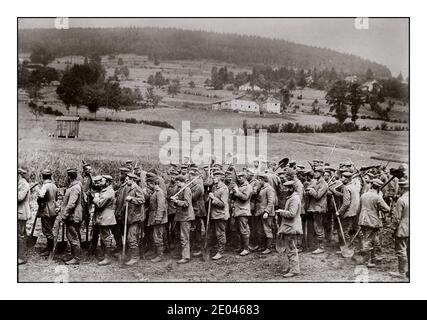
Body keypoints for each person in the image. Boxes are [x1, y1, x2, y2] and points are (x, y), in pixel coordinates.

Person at [358, 178, 390, 267]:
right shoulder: (377, 197)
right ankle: (366, 261)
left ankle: (373, 258)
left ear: (371, 185)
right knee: (368, 241)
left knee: (372, 240)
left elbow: (359, 208)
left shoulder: (363, 195)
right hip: (372, 221)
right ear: (379, 188)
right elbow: (387, 209)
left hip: (362, 220)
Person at [277, 180, 303, 278]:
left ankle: (294, 270)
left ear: (292, 188)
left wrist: (281, 212)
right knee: (290, 248)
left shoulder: (294, 199)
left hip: (291, 227)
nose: (285, 190)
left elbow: (292, 214)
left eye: (287, 188)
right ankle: (292, 267)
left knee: (291, 248)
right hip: (289, 226)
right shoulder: (292, 197)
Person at [60, 168, 83, 265]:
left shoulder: (75, 188)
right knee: (72, 236)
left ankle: (76, 258)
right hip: (73, 215)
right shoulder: (75, 186)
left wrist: (64, 216)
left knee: (73, 237)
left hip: (73, 216)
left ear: (69, 177)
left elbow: (71, 204)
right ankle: (74, 256)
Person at [92, 175, 117, 266]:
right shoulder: (106, 190)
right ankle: (106, 256)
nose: (101, 182)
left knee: (106, 237)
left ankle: (108, 258)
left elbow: (99, 203)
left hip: (106, 217)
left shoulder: (108, 192)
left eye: (103, 181)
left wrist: (96, 196)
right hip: (104, 217)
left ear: (108, 182)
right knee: (104, 236)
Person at [171, 175, 195, 264]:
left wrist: (176, 201)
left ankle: (186, 257)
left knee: (184, 237)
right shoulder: (181, 190)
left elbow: (186, 204)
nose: (177, 184)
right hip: (181, 216)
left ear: (180, 182)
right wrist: (176, 200)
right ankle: (182, 254)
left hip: (186, 216)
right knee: (181, 236)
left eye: (177, 182)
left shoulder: (186, 190)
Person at [123, 173, 146, 266]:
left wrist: (131, 199)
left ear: (132, 180)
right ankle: (134, 256)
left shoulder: (137, 188)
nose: (126, 181)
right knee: (131, 237)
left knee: (131, 237)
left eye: (127, 179)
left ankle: (135, 258)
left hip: (136, 218)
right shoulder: (130, 188)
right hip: (131, 217)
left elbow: (142, 200)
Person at [305, 167, 328, 254]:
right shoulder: (316, 182)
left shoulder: (324, 184)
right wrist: (309, 190)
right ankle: (316, 245)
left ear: (321, 173)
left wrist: (310, 190)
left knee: (318, 227)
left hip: (319, 208)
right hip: (313, 208)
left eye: (316, 172)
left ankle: (321, 247)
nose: (314, 173)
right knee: (315, 227)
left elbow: (318, 196)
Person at [336, 172, 360, 253]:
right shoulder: (354, 187)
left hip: (349, 212)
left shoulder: (346, 188)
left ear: (346, 178)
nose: (341, 179)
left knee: (343, 231)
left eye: (342, 178)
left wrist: (339, 212)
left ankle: (345, 249)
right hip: (355, 211)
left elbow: (346, 203)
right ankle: (358, 247)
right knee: (352, 230)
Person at [389, 179, 409, 278]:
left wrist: (392, 230)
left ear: (401, 188)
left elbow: (396, 218)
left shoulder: (401, 200)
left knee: (401, 250)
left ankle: (401, 272)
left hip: (403, 229)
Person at [208, 170, 230, 260]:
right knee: (217, 233)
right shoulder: (215, 187)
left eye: (215, 177)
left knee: (220, 233)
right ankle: (218, 248)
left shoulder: (224, 189)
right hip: (215, 214)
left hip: (221, 214)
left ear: (220, 178)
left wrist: (213, 198)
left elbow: (222, 204)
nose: (213, 178)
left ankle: (221, 252)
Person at [37, 169, 58, 257]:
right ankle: (49, 248)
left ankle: (50, 250)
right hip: (53, 210)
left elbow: (41, 196)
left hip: (46, 211)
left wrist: (40, 201)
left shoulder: (45, 186)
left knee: (47, 230)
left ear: (43, 177)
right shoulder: (54, 185)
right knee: (50, 229)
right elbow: (56, 198)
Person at [146, 176, 168, 263]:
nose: (148, 187)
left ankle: (160, 255)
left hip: (158, 218)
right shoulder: (154, 192)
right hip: (154, 217)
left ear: (153, 184)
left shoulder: (159, 192)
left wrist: (158, 218)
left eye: (149, 185)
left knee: (158, 236)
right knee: (155, 236)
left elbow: (161, 206)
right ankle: (157, 253)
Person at [231, 171, 253, 256]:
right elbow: (234, 198)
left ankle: (246, 249)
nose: (239, 178)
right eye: (239, 177)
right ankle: (242, 247)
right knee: (239, 230)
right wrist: (233, 192)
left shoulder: (248, 187)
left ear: (245, 177)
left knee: (244, 230)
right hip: (238, 211)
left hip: (243, 211)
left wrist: (237, 191)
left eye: (241, 177)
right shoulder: (240, 186)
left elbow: (245, 198)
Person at [254, 173, 276, 254]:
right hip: (260, 213)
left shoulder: (269, 189)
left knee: (267, 230)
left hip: (267, 214)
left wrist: (267, 212)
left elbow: (271, 202)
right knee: (260, 230)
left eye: (260, 180)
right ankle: (263, 246)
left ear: (263, 180)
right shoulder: (263, 188)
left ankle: (269, 248)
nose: (259, 182)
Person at [112, 167, 130, 256]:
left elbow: (125, 202)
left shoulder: (126, 186)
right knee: (117, 231)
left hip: (122, 214)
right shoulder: (122, 185)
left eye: (121, 174)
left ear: (125, 175)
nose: (120, 175)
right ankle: (119, 247)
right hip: (118, 212)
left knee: (122, 232)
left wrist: (121, 212)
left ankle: (124, 249)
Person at [188, 167, 206, 257]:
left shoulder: (198, 186)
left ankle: (199, 248)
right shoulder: (192, 185)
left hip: (198, 210)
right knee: (193, 229)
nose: (189, 177)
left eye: (191, 175)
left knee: (197, 229)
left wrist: (187, 192)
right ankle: (194, 246)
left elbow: (193, 197)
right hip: (194, 209)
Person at [18, 168, 31, 265]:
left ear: (19, 175)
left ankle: (22, 258)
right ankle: (23, 254)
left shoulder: (23, 184)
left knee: (20, 236)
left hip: (21, 213)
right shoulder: (21, 183)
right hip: (20, 212)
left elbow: (19, 197)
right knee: (21, 234)